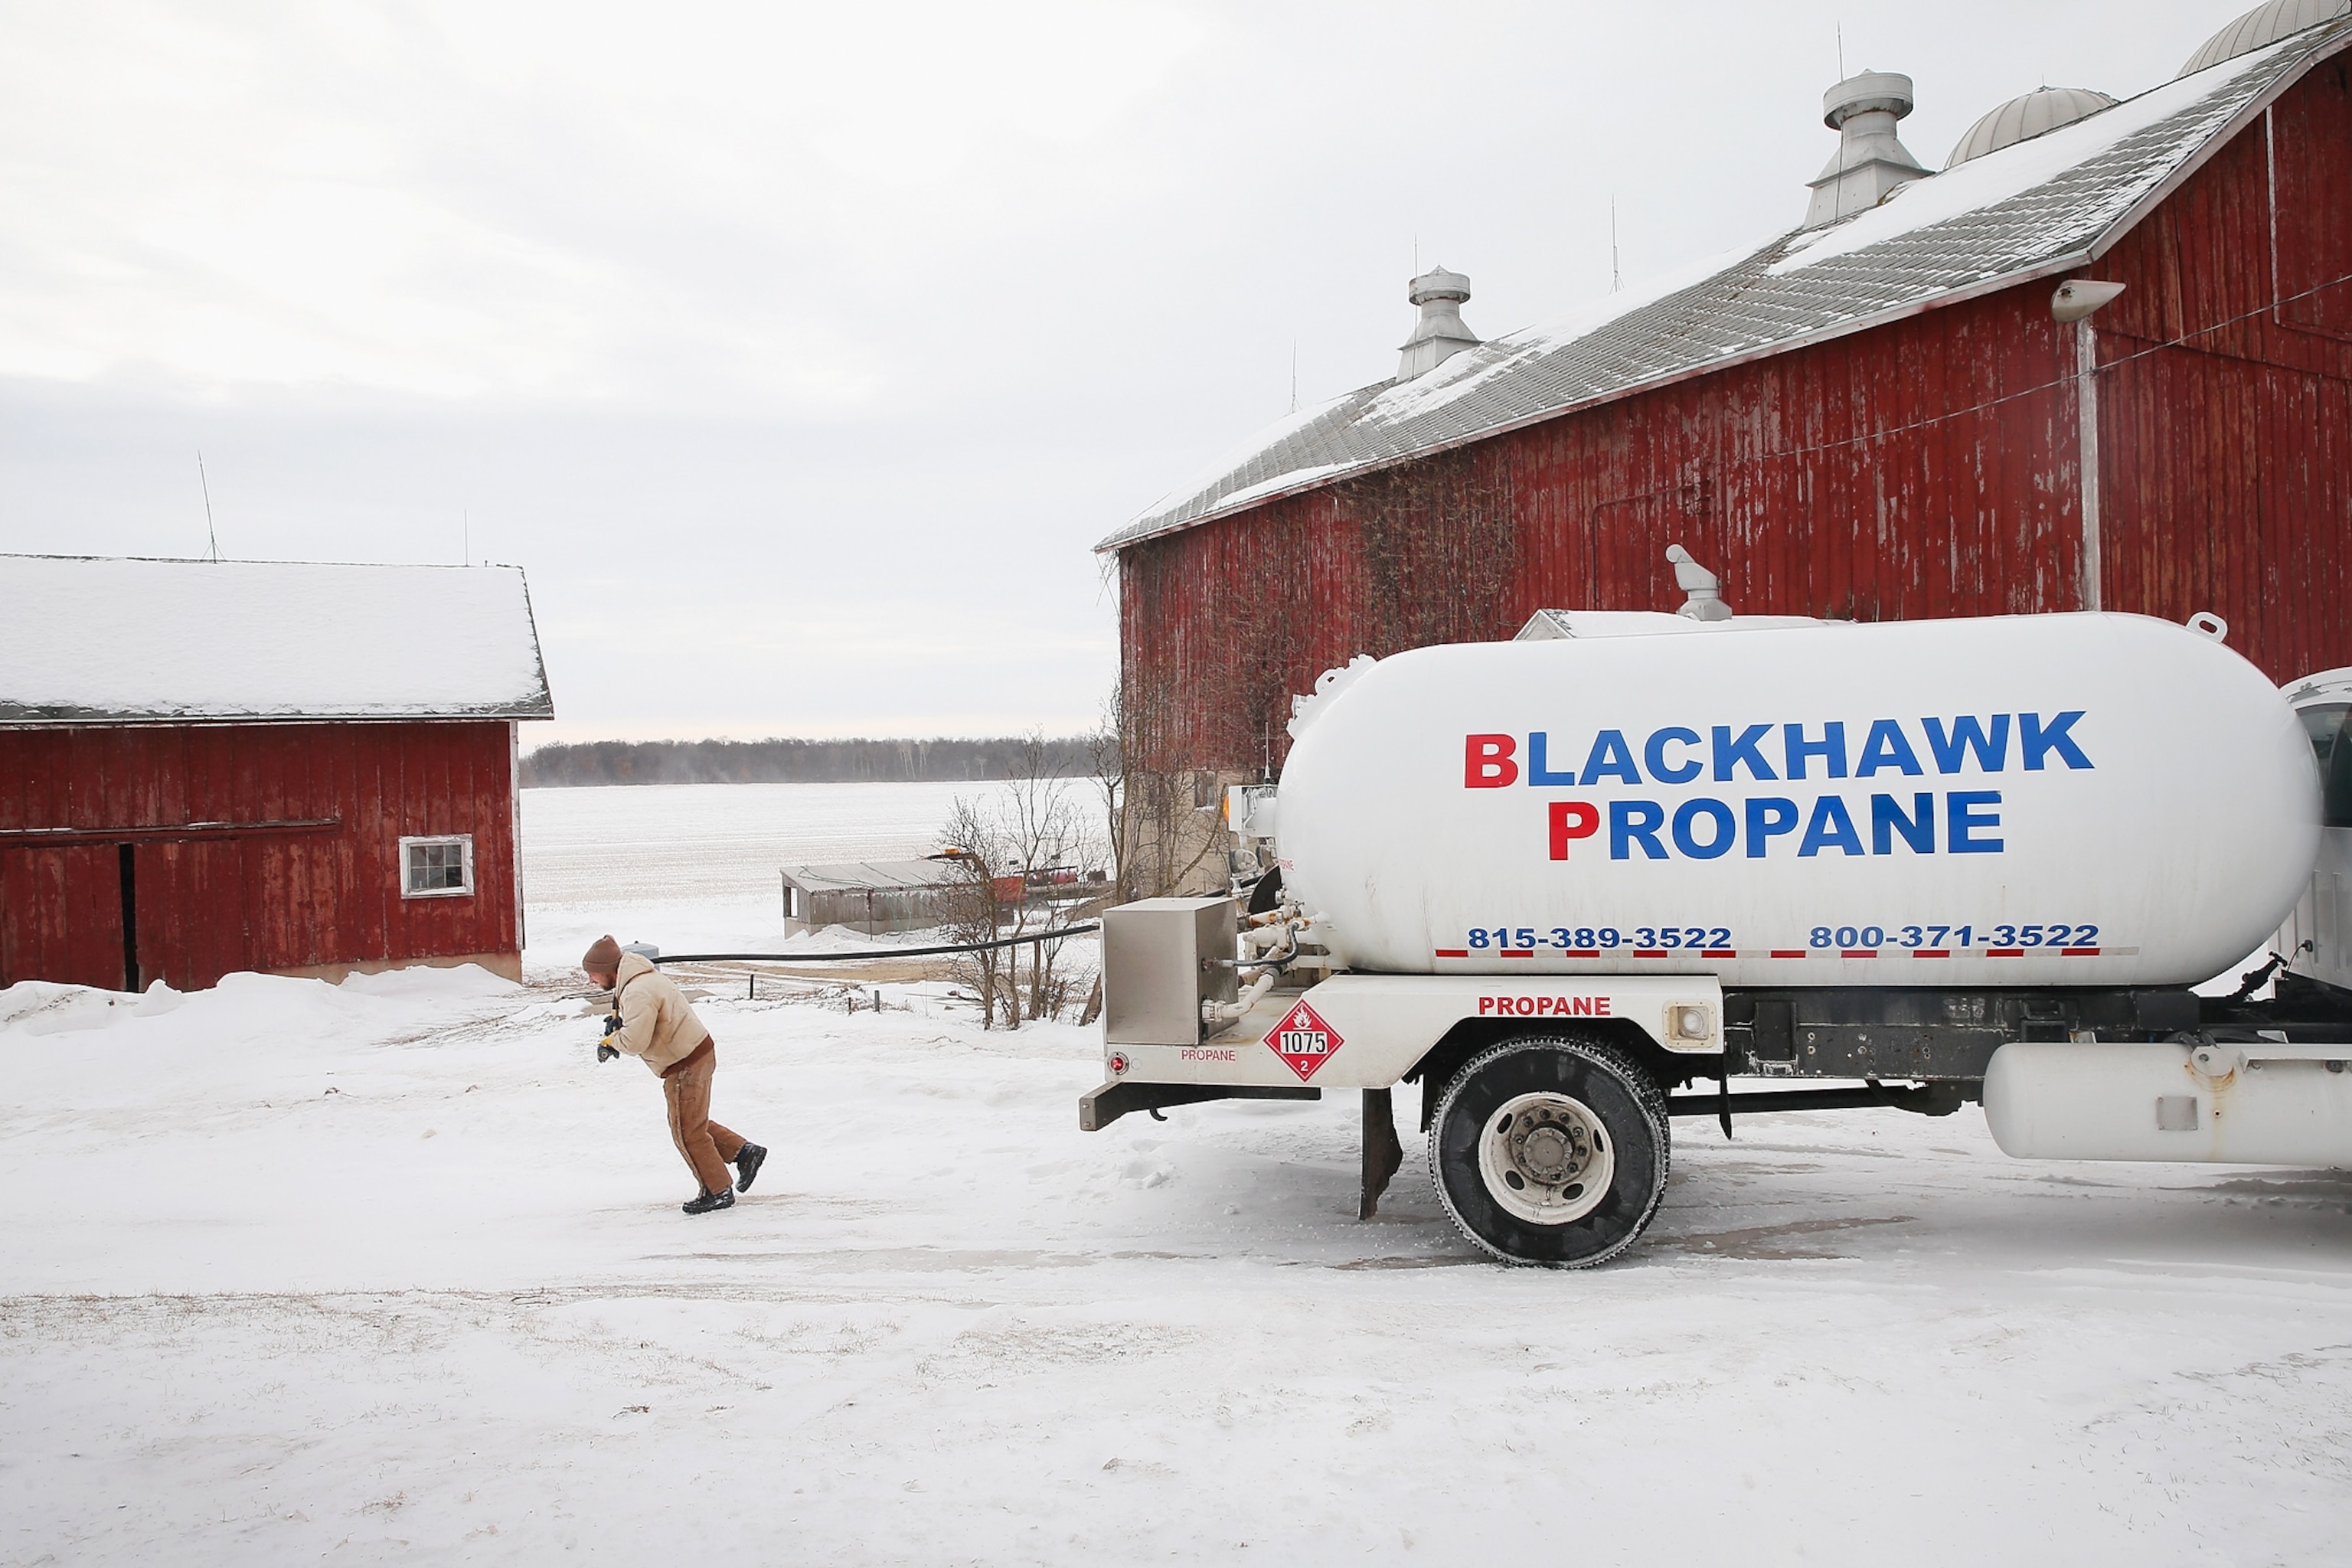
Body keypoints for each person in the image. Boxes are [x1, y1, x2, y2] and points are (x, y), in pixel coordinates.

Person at [581, 934, 766, 1215]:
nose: (591, 981)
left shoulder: (637, 990)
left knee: (686, 1131)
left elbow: (636, 1041)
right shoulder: (639, 977)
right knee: (691, 1120)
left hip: (685, 1064)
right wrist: (620, 1023)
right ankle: (743, 1152)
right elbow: (643, 1021)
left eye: (592, 975)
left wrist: (611, 1041)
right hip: (696, 1052)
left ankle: (717, 1191)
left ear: (608, 970)